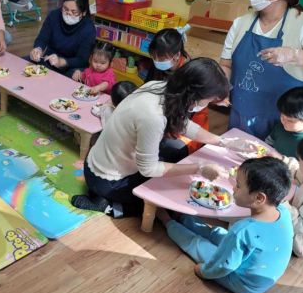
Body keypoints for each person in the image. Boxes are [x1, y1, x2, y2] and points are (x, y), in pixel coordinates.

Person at [71, 58, 256, 218]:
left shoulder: (159, 87)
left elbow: (183, 124)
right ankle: (110, 206)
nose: (208, 105)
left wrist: (224, 142)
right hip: (108, 181)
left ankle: (106, 197)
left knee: (176, 154)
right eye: (208, 101)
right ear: (193, 95)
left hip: (97, 162)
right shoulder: (154, 116)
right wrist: (199, 168)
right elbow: (148, 168)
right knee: (168, 204)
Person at [220, 0, 303, 139]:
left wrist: (294, 55)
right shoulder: (240, 23)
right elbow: (226, 65)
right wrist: (221, 88)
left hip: (285, 123)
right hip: (241, 114)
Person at [158, 157, 293, 293]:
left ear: (259, 198)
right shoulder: (283, 212)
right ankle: (183, 217)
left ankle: (167, 221)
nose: (234, 188)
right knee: (218, 232)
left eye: (238, 186)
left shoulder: (243, 230)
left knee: (198, 243)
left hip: (242, 283)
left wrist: (203, 272)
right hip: (258, 274)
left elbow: (224, 266)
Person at [146, 28, 210, 161]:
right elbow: (148, 90)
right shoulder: (157, 65)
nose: (156, 60)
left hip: (187, 123)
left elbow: (187, 113)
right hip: (163, 117)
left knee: (169, 147)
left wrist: (164, 128)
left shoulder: (192, 74)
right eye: (153, 56)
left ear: (177, 55)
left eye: (161, 57)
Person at [29, 0, 96, 77]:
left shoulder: (88, 29)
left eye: (73, 12)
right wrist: (38, 49)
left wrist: (61, 62)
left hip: (72, 66)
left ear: (83, 12)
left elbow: (82, 59)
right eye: (65, 9)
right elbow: (42, 38)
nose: (68, 13)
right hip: (50, 60)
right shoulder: (54, 15)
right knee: (27, 65)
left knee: (72, 78)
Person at [265, 87, 303, 158]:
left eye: (289, 120)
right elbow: (270, 141)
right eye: (282, 115)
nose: (282, 121)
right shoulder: (282, 126)